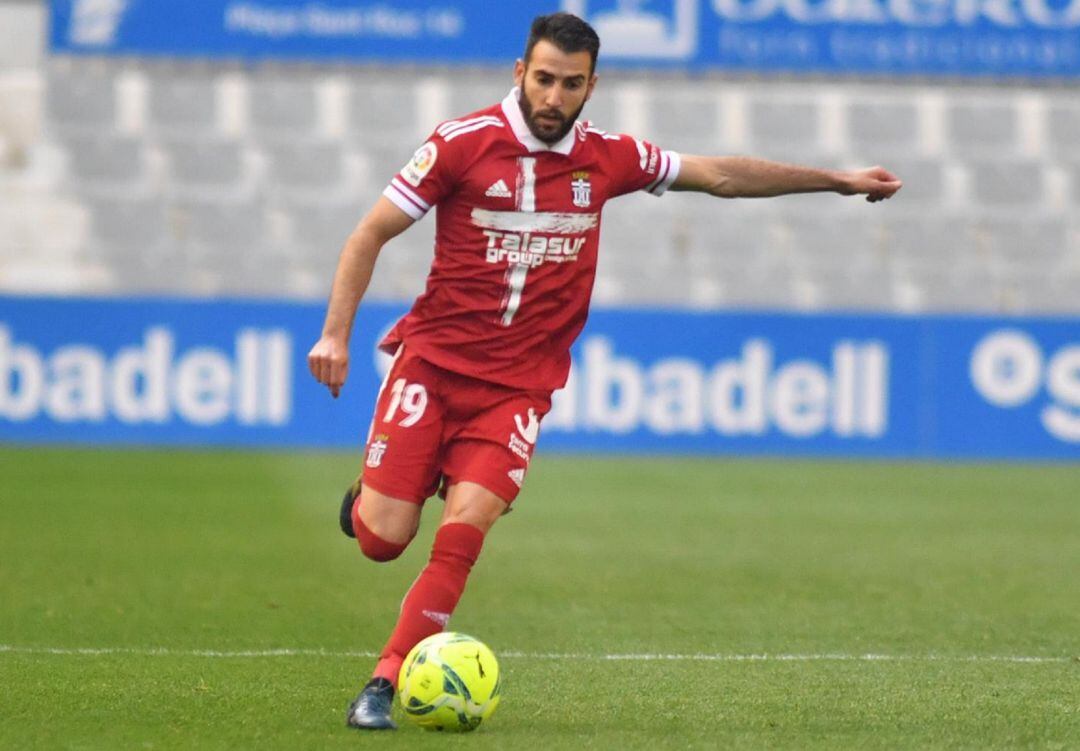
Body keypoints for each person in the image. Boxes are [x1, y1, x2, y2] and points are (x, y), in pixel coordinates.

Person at [307, 11, 902, 731]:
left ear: (593, 86)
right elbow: (369, 231)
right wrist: (335, 333)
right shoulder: (459, 147)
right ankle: (376, 496)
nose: (554, 97)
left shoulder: (609, 158)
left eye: (571, 84)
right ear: (519, 73)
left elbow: (717, 176)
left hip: (518, 388)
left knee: (468, 522)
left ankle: (383, 681)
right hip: (431, 369)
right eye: (544, 79)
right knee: (382, 539)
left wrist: (835, 181)